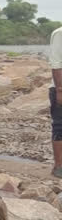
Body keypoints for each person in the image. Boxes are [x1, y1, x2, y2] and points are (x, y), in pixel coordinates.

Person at [49, 26, 62, 178]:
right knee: (60, 125)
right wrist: (60, 89)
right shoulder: (59, 33)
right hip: (60, 87)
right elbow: (56, 63)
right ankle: (58, 165)